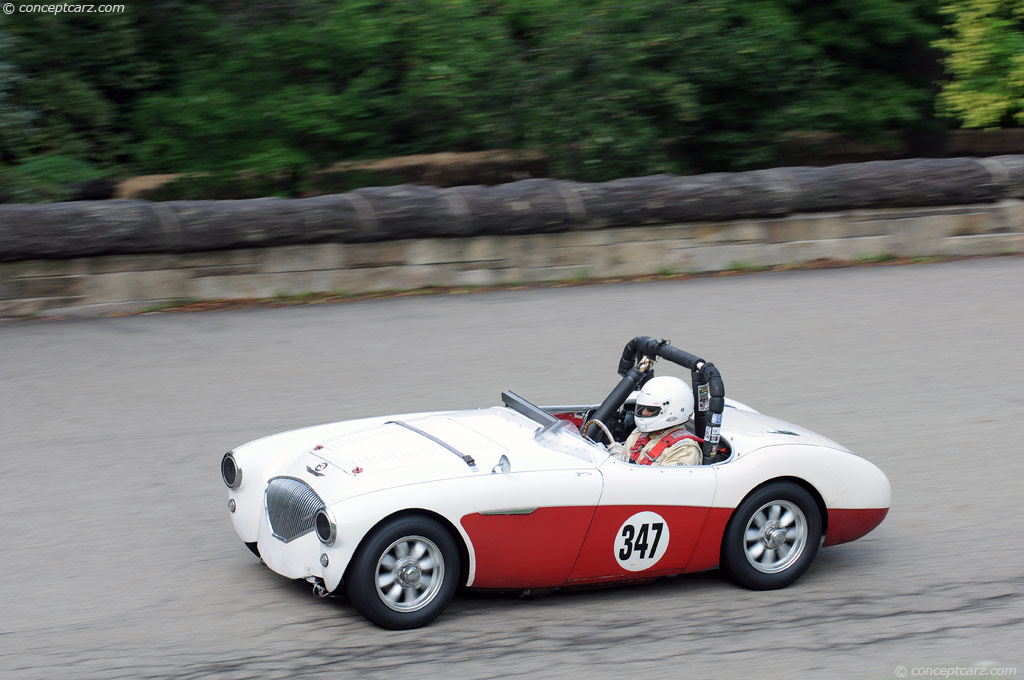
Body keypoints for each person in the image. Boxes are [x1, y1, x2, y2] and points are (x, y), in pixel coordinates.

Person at [609, 375, 703, 466]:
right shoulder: (638, 433)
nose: (644, 412)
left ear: (672, 411)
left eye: (650, 409)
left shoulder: (685, 450)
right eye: (641, 408)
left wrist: (624, 462)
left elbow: (664, 481)